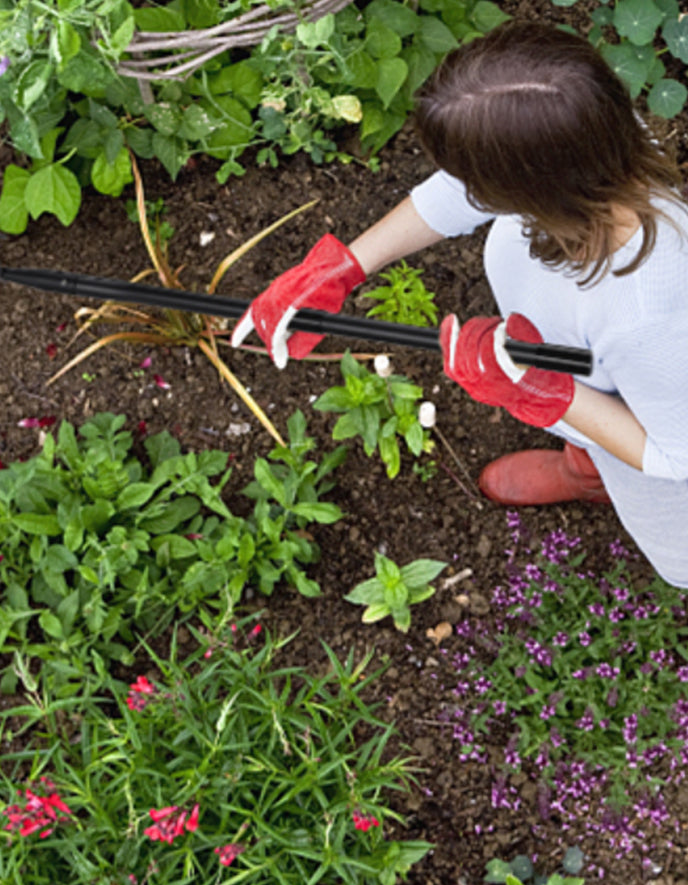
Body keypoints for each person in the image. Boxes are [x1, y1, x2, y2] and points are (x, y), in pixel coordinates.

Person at [232, 21, 688, 589]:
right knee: (587, 441)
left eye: (476, 180)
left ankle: (603, 474)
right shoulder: (592, 138)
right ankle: (585, 468)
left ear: (533, 187)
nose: (462, 188)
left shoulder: (653, 311)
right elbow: (454, 194)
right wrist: (344, 266)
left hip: (662, 474)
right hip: (587, 374)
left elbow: (676, 455)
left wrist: (545, 390)